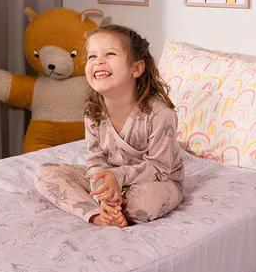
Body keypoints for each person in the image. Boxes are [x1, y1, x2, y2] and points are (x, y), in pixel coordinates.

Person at [34, 24, 184, 228]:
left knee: (144, 202)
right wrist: (103, 195)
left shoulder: (160, 113)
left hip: (155, 181)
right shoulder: (93, 112)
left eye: (110, 54)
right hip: (110, 179)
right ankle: (100, 215)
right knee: (45, 174)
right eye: (92, 56)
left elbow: (160, 168)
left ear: (136, 68)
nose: (98, 61)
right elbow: (95, 161)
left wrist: (117, 177)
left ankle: (116, 207)